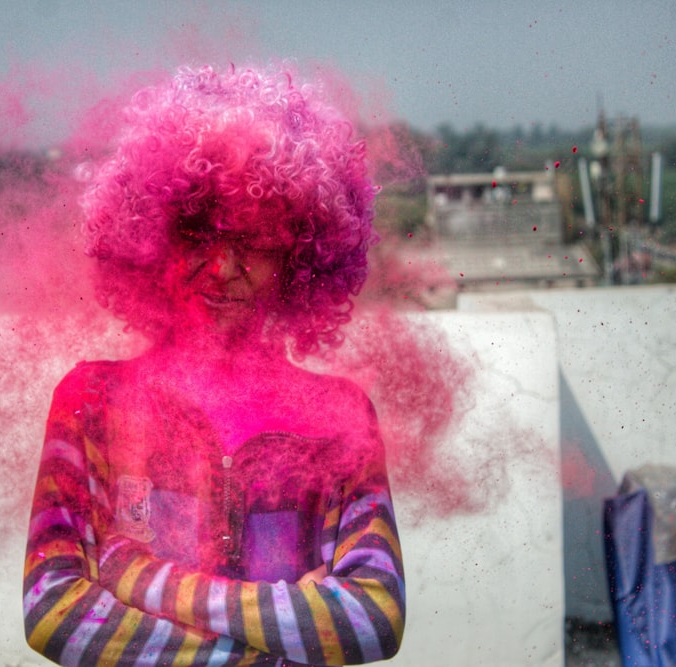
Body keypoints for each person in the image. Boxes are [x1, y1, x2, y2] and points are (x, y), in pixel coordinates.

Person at [24, 64, 404, 667]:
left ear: (299, 254)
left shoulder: (339, 418)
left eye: (253, 240)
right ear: (151, 240)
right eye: (197, 233)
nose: (223, 267)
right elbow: (53, 610)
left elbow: (372, 618)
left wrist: (147, 583)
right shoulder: (92, 402)